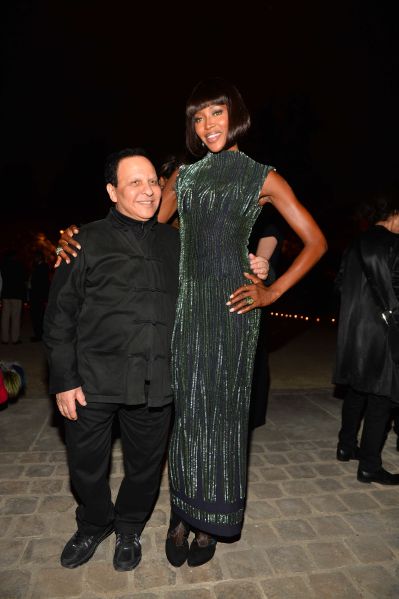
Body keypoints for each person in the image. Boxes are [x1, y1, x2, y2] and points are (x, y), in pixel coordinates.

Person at [56, 78, 326, 568]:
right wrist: (80, 235)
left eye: (216, 114)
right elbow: (136, 220)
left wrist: (271, 291)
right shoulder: (184, 177)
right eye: (198, 118)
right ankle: (182, 514)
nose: (207, 126)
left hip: (231, 313)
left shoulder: (264, 177)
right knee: (183, 421)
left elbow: (316, 241)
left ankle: (210, 521)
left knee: (222, 419)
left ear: (235, 115)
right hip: (182, 313)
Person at [43, 148, 181, 571]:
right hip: (92, 380)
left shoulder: (177, 242)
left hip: (155, 379)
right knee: (86, 467)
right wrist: (64, 379)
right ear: (112, 191)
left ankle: (128, 527)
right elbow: (59, 316)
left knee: (144, 468)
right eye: (134, 182)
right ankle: (93, 523)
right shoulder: (84, 240)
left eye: (153, 182)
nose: (147, 190)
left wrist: (258, 265)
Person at [333, 193, 399, 484]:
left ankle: (346, 446)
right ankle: (370, 465)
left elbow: (339, 283)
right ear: (395, 214)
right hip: (383, 333)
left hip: (353, 331)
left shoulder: (355, 243)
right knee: (381, 398)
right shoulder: (394, 244)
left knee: (356, 391)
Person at [247, 205, 284, 430]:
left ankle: (250, 416)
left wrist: (261, 265)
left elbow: (260, 264)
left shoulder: (269, 222)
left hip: (252, 298)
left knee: (255, 359)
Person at [0, 249, 27, 344]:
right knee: (16, 317)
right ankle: (15, 339)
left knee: (5, 316)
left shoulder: (3, 266)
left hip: (6, 294)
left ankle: (4, 338)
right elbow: (24, 279)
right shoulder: (19, 265)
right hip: (17, 294)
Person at [29, 250, 50, 341]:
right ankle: (39, 334)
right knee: (38, 316)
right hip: (39, 296)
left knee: (38, 316)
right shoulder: (41, 267)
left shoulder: (42, 268)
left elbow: (41, 283)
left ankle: (39, 335)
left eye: (35, 257)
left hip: (38, 296)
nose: (34, 259)